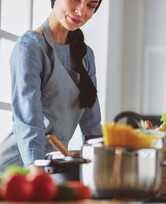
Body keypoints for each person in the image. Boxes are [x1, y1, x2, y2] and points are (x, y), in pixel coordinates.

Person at [0, 0, 102, 177]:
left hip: (53, 168)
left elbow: (92, 127)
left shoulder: (86, 56)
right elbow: (28, 120)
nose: (80, 11)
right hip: (17, 168)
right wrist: (35, 169)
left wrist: (105, 167)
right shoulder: (31, 46)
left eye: (91, 6)